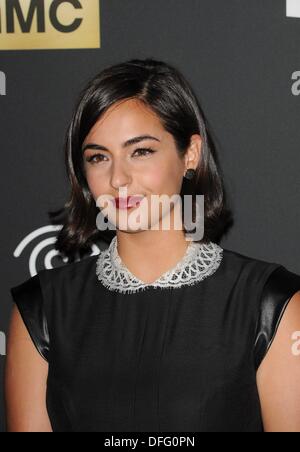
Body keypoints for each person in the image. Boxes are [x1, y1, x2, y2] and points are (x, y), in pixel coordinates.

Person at [5, 58, 300, 432]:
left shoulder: (269, 303)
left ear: (190, 154)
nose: (118, 178)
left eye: (140, 151)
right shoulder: (42, 307)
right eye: (98, 157)